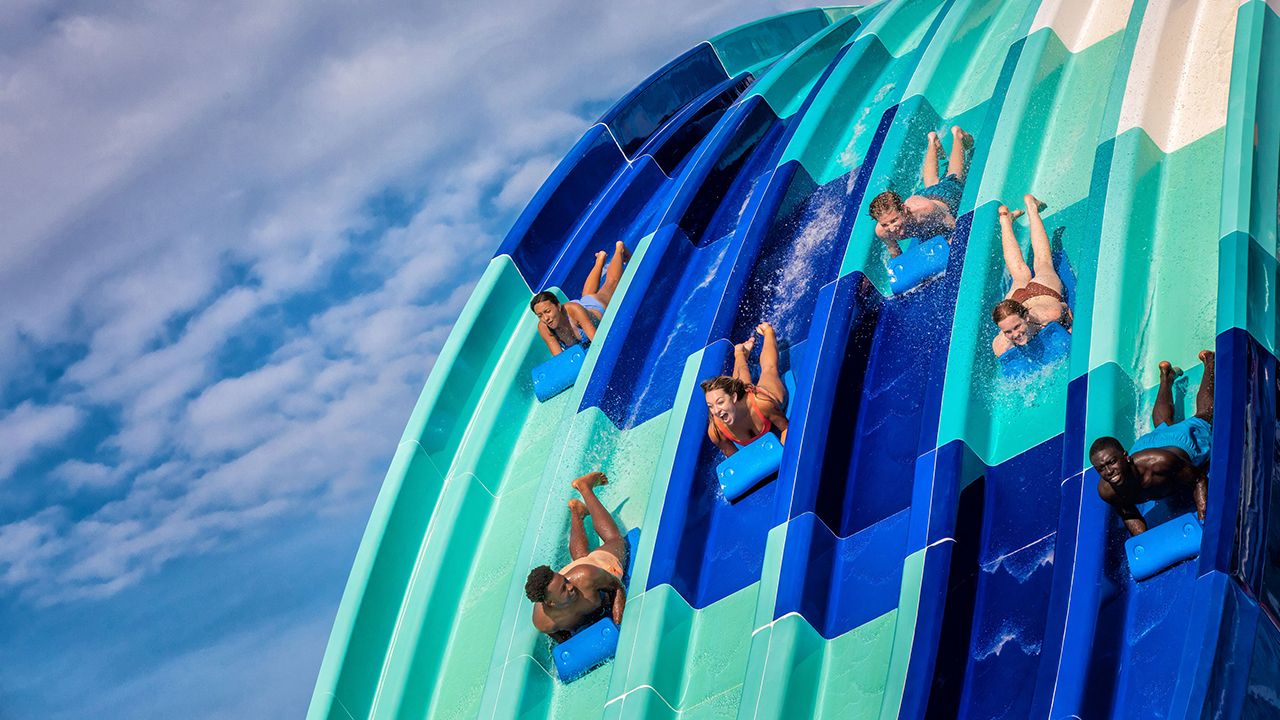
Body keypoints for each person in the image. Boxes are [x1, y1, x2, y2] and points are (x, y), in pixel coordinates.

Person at [1090, 351, 1215, 536]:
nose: (1109, 472)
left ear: (1125, 457)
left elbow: (1198, 479)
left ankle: (1210, 361)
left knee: (1206, 415)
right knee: (1161, 426)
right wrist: (1144, 542)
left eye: (1111, 463)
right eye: (1101, 468)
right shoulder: (1108, 491)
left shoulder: (1160, 463)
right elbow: (1129, 513)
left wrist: (1204, 518)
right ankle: (1166, 377)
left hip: (1178, 443)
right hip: (1146, 445)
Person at [526, 471, 628, 642]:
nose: (570, 586)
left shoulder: (584, 577)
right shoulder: (544, 622)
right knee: (581, 559)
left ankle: (585, 487)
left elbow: (617, 587)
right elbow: (564, 640)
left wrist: (618, 623)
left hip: (600, 569)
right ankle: (577, 512)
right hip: (584, 570)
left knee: (615, 539)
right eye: (563, 588)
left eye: (564, 580)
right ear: (550, 603)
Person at [869, 125, 974, 258]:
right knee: (931, 184)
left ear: (904, 209)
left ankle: (957, 135)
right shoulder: (883, 232)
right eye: (885, 224)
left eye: (894, 220)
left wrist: (952, 244)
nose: (892, 228)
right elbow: (896, 254)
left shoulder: (926, 210)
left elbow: (954, 226)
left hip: (945, 198)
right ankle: (932, 141)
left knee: (955, 176)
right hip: (924, 196)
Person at [991, 194, 1073, 357]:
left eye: (1017, 327)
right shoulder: (1000, 346)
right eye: (1008, 332)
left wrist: (1069, 326)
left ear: (1026, 317)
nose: (1015, 335)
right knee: (1019, 272)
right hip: (1016, 299)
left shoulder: (1050, 314)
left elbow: (1065, 309)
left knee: (1043, 262)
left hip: (1042, 291)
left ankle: (1032, 207)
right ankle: (1005, 221)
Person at [702, 322, 789, 457]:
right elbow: (737, 460)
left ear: (734, 397)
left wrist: (783, 458)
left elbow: (786, 428)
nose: (716, 411)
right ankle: (740, 353)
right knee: (739, 381)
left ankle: (768, 332)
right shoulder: (716, 431)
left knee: (769, 369)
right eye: (710, 406)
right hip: (739, 401)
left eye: (720, 402)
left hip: (763, 397)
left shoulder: (763, 403)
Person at [531, 241, 631, 355]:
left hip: (596, 307)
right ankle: (600, 260)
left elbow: (598, 343)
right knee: (586, 296)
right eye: (540, 315)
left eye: (547, 311)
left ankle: (619, 249)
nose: (546, 318)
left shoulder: (574, 310)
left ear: (558, 306)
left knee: (611, 284)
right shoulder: (544, 328)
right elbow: (561, 359)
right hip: (583, 306)